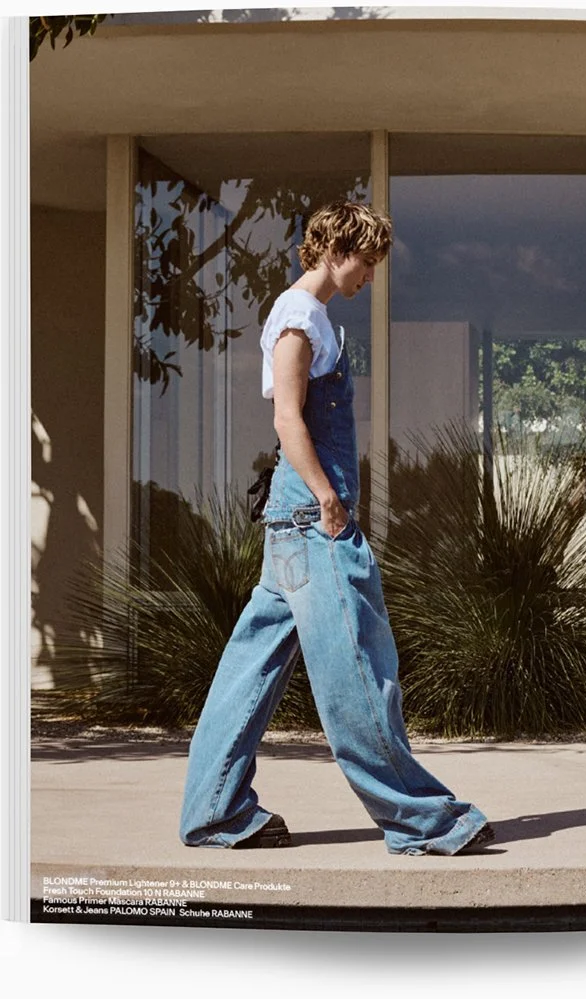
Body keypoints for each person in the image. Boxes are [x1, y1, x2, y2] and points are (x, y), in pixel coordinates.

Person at [179, 200, 494, 856]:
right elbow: (289, 421)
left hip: (291, 525)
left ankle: (214, 810)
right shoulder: (298, 316)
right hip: (310, 520)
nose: (370, 276)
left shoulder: (310, 316)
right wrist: (328, 497)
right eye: (368, 262)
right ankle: (420, 818)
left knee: (252, 664)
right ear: (335, 250)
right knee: (357, 661)